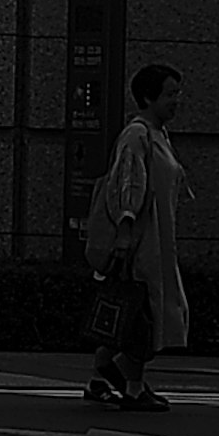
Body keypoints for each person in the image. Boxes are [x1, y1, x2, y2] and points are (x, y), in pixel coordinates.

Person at [83, 63, 192, 415]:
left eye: (178, 92)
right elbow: (128, 184)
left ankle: (103, 376)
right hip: (143, 240)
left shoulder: (157, 134)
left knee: (132, 312)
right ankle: (132, 387)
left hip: (156, 238)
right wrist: (126, 231)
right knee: (143, 312)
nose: (176, 100)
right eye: (169, 94)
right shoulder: (138, 134)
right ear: (148, 97)